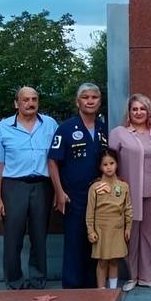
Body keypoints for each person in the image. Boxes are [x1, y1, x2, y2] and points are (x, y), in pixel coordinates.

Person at [0, 87, 58, 290]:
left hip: (42, 186)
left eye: (34, 99)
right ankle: (14, 279)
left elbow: (55, 160)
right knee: (13, 236)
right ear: (16, 103)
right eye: (25, 100)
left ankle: (38, 278)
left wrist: (57, 190)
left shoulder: (50, 124)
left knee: (39, 235)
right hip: (13, 186)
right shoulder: (3, 127)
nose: (30, 103)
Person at [48, 83, 108, 289]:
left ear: (100, 102)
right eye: (85, 97)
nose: (90, 101)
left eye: (94, 97)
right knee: (74, 241)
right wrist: (59, 192)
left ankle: (92, 286)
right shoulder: (66, 128)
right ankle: (73, 288)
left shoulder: (104, 128)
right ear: (77, 101)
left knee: (95, 240)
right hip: (74, 195)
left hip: (100, 195)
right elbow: (53, 161)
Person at [109, 93, 151, 291]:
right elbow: (109, 162)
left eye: (142, 109)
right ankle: (132, 277)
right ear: (129, 113)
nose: (138, 112)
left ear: (148, 111)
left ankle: (147, 277)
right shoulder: (119, 133)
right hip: (129, 194)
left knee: (149, 236)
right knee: (130, 236)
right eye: (134, 109)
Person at [86, 149, 133, 289]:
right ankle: (101, 290)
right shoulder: (95, 187)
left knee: (114, 261)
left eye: (112, 163)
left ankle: (112, 291)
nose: (109, 167)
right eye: (105, 164)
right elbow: (90, 211)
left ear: (117, 164)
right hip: (101, 229)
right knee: (102, 261)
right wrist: (90, 231)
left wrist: (128, 228)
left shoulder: (123, 186)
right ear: (100, 167)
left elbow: (128, 208)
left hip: (117, 228)